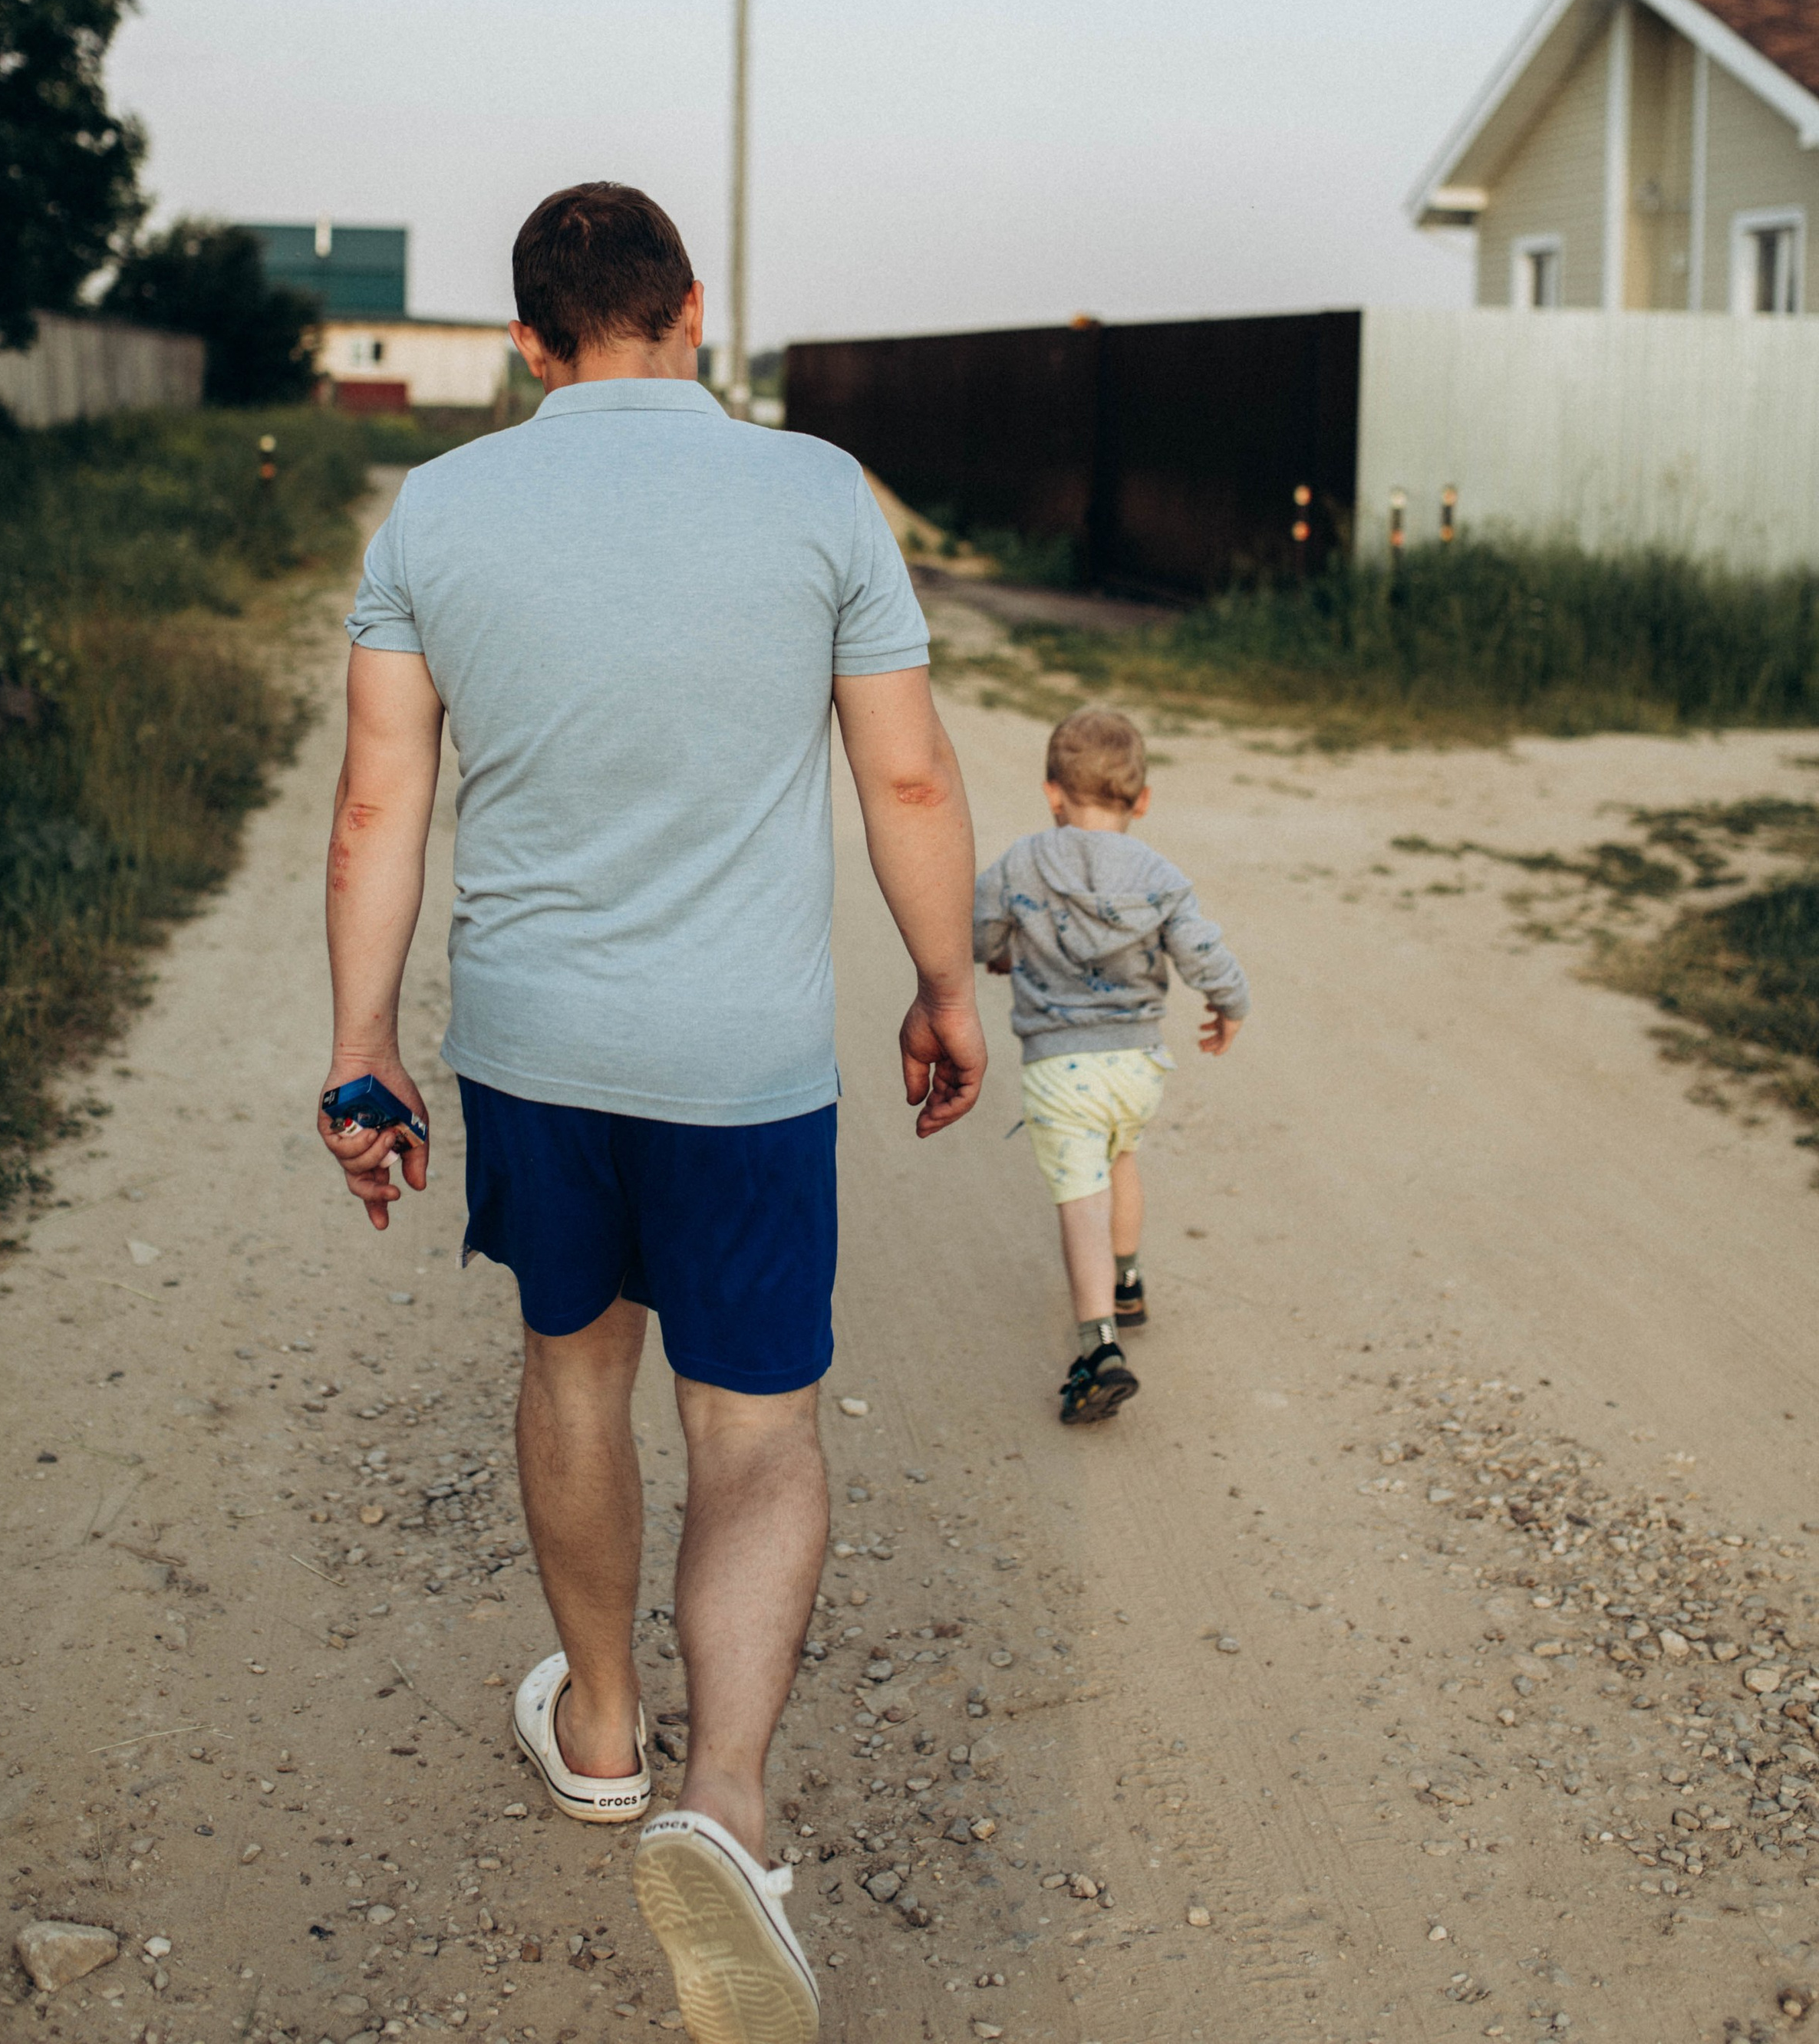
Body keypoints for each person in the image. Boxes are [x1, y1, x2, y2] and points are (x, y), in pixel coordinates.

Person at [317, 182, 986, 2044]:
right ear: (690, 308)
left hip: (534, 1051)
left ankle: (603, 1729)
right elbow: (908, 772)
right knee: (753, 1430)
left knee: (571, 1370)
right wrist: (942, 982)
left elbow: (379, 808)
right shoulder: (816, 493)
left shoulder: (438, 510)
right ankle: (729, 1805)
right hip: (743, 1062)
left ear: (529, 337)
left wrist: (362, 1048)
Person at [974, 704, 1248, 1424]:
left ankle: (1098, 1351)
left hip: (1063, 1069)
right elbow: (1203, 952)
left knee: (1081, 1199)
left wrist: (1000, 948)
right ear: (1144, 800)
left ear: (1052, 791)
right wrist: (1231, 1004)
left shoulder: (1023, 861)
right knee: (1120, 1156)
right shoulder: (1159, 874)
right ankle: (1127, 1284)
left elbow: (979, 930)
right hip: (1137, 1063)